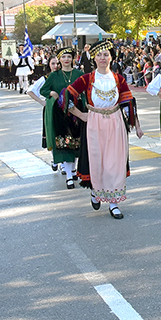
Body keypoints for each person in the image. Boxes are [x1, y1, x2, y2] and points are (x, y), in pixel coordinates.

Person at [64, 40, 144, 219]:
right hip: (94, 122)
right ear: (93, 58)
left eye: (106, 54)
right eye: (99, 55)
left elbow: (128, 103)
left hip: (115, 122)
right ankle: (96, 191)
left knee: (115, 162)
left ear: (111, 57)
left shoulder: (118, 79)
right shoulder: (87, 78)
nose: (102, 58)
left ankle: (114, 203)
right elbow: (66, 96)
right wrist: (80, 114)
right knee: (97, 161)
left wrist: (137, 126)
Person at [38, 48, 84, 186]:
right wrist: (52, 93)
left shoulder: (79, 74)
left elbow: (86, 90)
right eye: (63, 57)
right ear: (59, 59)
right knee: (65, 144)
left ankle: (73, 170)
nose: (66, 59)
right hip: (60, 114)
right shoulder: (54, 75)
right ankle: (69, 176)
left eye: (69, 56)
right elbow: (43, 90)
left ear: (73, 58)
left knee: (76, 143)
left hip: (77, 113)